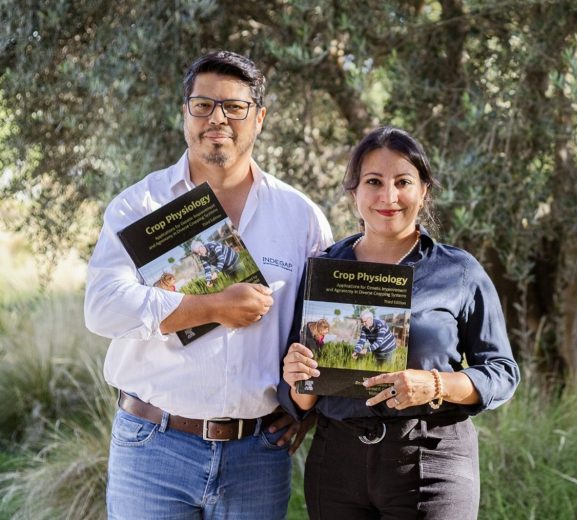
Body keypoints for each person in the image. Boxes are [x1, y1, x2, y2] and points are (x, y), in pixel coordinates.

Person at [84, 50, 333, 519]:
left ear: (258, 118)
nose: (217, 119)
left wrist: (307, 409)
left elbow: (322, 326)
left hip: (257, 455)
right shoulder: (139, 205)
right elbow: (102, 307)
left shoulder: (301, 217)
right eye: (203, 105)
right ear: (185, 114)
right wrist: (213, 306)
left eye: (234, 107)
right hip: (152, 450)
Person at [279, 126, 520, 519]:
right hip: (336, 466)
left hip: (431, 459)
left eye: (403, 182)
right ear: (354, 191)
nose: (388, 197)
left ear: (424, 190)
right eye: (373, 182)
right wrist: (297, 380)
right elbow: (296, 393)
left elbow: (502, 373)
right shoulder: (323, 270)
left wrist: (436, 384)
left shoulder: (459, 271)